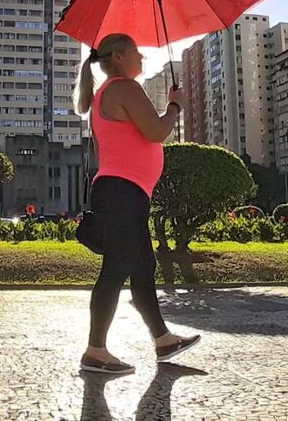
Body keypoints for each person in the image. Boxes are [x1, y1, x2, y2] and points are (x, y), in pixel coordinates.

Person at [74, 33, 200, 375]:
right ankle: (95, 351)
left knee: (143, 268)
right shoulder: (124, 87)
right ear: (117, 57)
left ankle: (163, 340)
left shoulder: (106, 93)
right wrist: (175, 105)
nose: (141, 56)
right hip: (122, 193)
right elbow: (157, 131)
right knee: (116, 269)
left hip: (123, 192)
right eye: (136, 51)